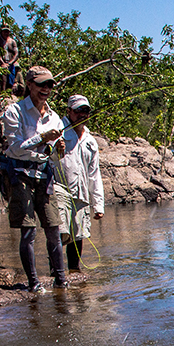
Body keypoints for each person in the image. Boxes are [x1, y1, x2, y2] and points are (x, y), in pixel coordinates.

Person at [1, 65, 67, 292]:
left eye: (50, 85)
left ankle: (61, 281)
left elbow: (57, 159)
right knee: (28, 231)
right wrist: (42, 137)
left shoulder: (55, 117)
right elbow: (15, 148)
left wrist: (59, 148)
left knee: (54, 229)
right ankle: (34, 283)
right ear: (29, 85)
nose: (46, 89)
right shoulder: (14, 112)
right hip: (20, 175)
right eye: (41, 84)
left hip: (45, 176)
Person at [52, 94, 104, 272]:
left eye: (86, 111)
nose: (82, 114)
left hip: (81, 193)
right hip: (59, 189)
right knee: (60, 232)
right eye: (78, 111)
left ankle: (74, 270)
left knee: (78, 235)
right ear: (69, 111)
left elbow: (94, 174)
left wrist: (98, 205)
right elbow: (45, 157)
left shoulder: (91, 141)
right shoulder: (57, 131)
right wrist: (54, 148)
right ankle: (56, 272)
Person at [0, 26, 19, 92]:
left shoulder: (12, 41)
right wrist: (3, 63)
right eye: (4, 31)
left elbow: (16, 54)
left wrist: (9, 63)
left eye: (7, 31)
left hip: (10, 63)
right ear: (1, 31)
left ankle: (10, 92)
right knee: (3, 73)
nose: (6, 33)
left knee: (11, 79)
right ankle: (2, 92)